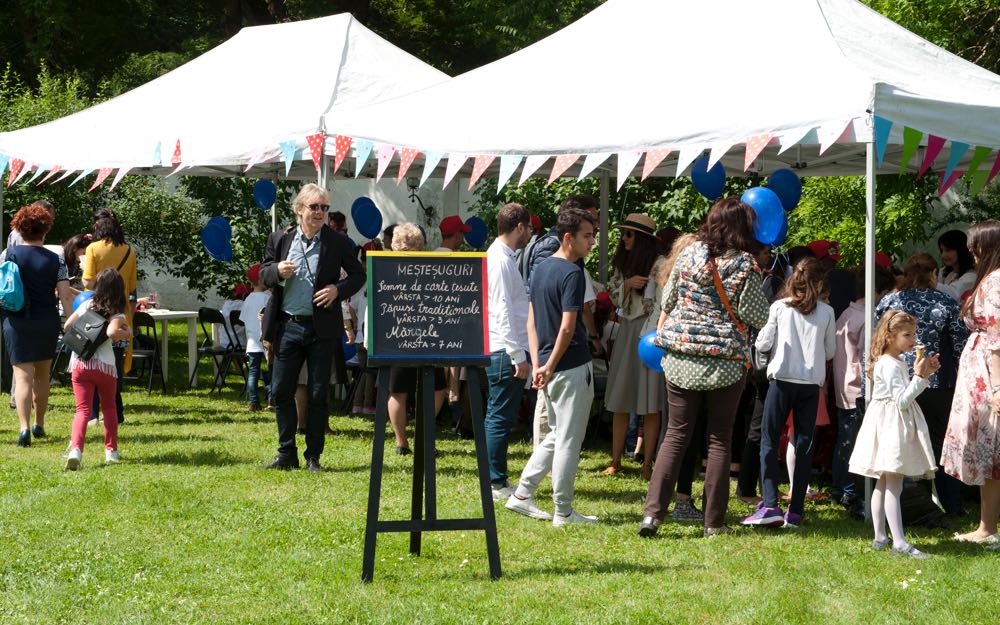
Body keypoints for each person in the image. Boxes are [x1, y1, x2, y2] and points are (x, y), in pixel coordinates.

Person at [639, 197, 768, 538]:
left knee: (675, 436)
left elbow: (668, 302)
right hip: (725, 360)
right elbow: (758, 315)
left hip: (680, 357)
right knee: (719, 441)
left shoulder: (688, 255)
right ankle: (713, 523)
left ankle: (652, 516)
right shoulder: (744, 264)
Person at [259, 183, 364, 472]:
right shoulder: (280, 238)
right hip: (288, 326)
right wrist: (277, 271)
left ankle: (313, 456)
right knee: (280, 391)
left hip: (322, 330)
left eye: (324, 207)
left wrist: (336, 290)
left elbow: (358, 276)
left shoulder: (338, 242)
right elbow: (263, 273)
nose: (320, 212)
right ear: (299, 209)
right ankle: (286, 453)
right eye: (314, 207)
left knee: (318, 394)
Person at [505, 207, 598, 527]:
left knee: (558, 435)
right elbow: (568, 328)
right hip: (569, 366)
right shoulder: (572, 273)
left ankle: (522, 494)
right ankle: (563, 511)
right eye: (587, 236)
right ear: (568, 237)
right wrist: (547, 364)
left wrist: (538, 363)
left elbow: (531, 321)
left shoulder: (541, 267)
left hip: (550, 364)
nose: (592, 242)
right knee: (568, 440)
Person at [743, 258, 836, 529]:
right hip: (810, 384)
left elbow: (762, 343)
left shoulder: (779, 308)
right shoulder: (826, 312)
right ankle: (795, 510)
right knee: (804, 445)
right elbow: (829, 351)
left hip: (782, 380)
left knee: (769, 440)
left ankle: (770, 502)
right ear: (819, 284)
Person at [875, 253, 968, 516]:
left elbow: (875, 337)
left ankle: (916, 504)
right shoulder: (946, 302)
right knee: (940, 445)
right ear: (934, 275)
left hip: (899, 382)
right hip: (938, 383)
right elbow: (960, 344)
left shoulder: (891, 301)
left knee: (906, 444)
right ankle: (952, 505)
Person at [849, 311, 939, 558]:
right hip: (891, 425)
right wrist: (920, 377)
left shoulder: (893, 361)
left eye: (914, 334)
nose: (913, 339)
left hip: (887, 423)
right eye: (907, 335)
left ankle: (880, 537)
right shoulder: (889, 364)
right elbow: (902, 400)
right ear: (889, 337)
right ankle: (898, 542)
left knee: (884, 482)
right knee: (893, 484)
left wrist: (924, 373)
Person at [941, 220, 1000, 548]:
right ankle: (986, 527)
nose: (971, 251)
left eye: (975, 244)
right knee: (991, 455)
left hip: (988, 373)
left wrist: (996, 387)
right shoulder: (992, 279)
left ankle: (987, 528)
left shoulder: (994, 281)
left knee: (991, 450)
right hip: (984, 369)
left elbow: (996, 338)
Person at [1, 204, 75, 446]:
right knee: (42, 376)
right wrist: (71, 321)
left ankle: (23, 429)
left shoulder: (9, 255)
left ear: (20, 228)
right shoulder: (57, 259)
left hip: (16, 320)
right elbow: (65, 295)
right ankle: (39, 424)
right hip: (46, 321)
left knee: (22, 377)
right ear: (45, 229)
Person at [831, 265, 896, 513]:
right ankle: (849, 491)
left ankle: (839, 488)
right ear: (876, 291)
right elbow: (868, 355)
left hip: (842, 384)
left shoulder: (847, 313)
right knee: (854, 441)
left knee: (844, 440)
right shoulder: (867, 318)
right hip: (858, 387)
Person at [603, 213, 662, 479]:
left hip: (649, 335)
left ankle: (648, 462)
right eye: (623, 233)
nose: (624, 239)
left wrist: (653, 331)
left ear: (642, 240)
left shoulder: (660, 265)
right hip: (627, 330)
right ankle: (615, 460)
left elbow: (663, 304)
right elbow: (612, 294)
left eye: (629, 234)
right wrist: (627, 284)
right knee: (620, 399)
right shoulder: (622, 264)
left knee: (650, 403)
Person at [484, 203, 533, 501]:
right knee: (500, 418)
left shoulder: (501, 256)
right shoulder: (501, 260)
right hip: (505, 349)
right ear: (519, 227)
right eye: (529, 228)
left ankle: (496, 478)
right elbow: (502, 310)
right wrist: (518, 355)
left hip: (503, 347)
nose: (530, 233)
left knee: (498, 416)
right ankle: (495, 481)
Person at [385, 223, 447, 454]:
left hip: (395, 338)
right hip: (426, 336)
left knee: (398, 391)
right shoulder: (431, 268)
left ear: (394, 244)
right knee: (436, 387)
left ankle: (401, 443)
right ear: (421, 244)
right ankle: (422, 434)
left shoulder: (385, 267)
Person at [63, 268, 133, 469]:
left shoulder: (86, 304)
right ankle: (111, 452)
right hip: (104, 366)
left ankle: (76, 450)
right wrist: (126, 333)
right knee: (109, 407)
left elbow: (68, 326)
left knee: (82, 410)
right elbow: (112, 332)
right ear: (118, 289)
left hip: (80, 364)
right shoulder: (116, 311)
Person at [83, 208, 137, 426]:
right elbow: (132, 287)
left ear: (98, 227)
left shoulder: (92, 249)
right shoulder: (129, 251)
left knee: (93, 359)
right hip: (122, 314)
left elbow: (87, 282)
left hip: (97, 313)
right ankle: (116, 411)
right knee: (116, 360)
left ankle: (94, 413)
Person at [240, 264, 271, 412]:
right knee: (272, 370)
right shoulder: (267, 297)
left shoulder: (247, 299)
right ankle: (272, 399)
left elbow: (244, 319)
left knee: (253, 372)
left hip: (252, 342)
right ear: (260, 280)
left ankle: (253, 402)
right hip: (266, 341)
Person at [937, 229, 976, 301]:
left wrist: (930, 283)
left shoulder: (971, 276)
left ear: (961, 250)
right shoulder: (945, 272)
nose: (943, 255)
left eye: (947, 250)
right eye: (942, 251)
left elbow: (954, 294)